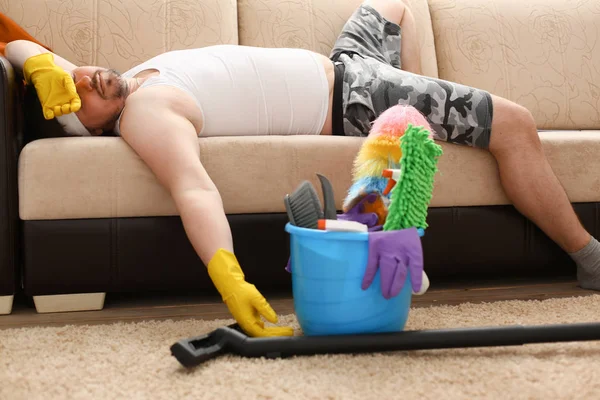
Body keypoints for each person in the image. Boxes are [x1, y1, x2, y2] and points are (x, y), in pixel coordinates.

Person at [6, 0, 600, 336]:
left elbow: (16, 42)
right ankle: (587, 257)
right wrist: (230, 278)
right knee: (516, 122)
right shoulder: (143, 114)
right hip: (350, 95)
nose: (84, 78)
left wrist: (36, 62)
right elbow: (194, 189)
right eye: (78, 95)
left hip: (348, 63)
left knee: (393, 4)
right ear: (83, 125)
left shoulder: (119, 81)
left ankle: (414, 105)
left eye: (73, 73)